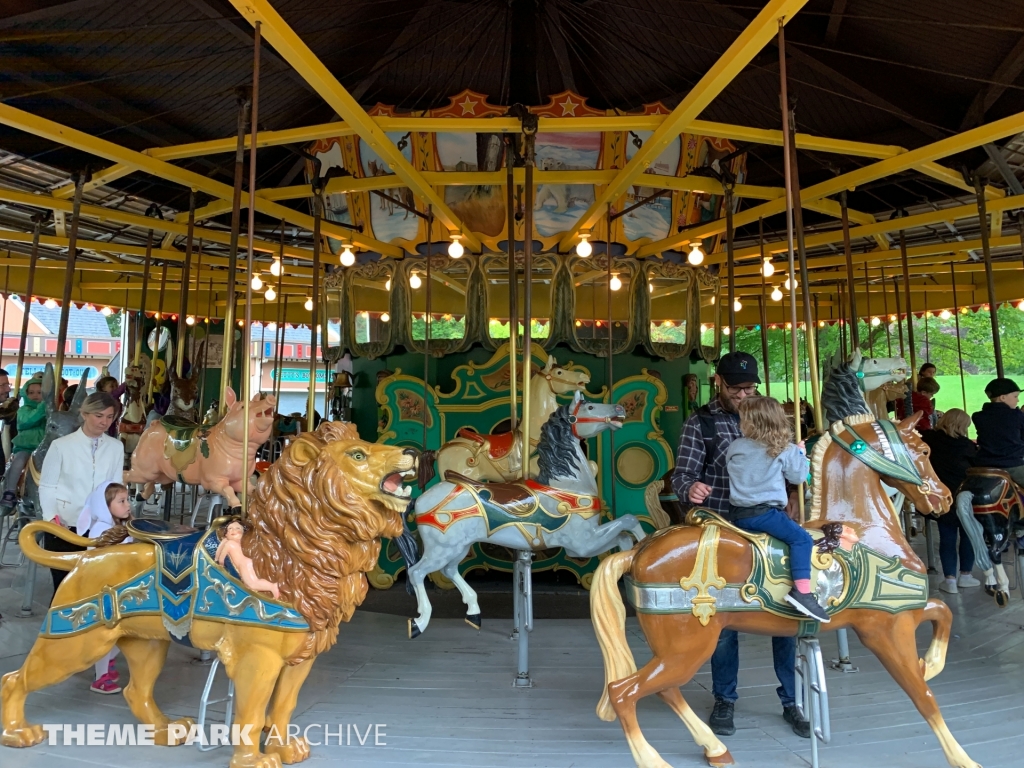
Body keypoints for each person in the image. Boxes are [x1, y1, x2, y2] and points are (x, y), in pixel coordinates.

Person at [671, 351, 808, 739]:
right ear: (719, 382)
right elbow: (682, 474)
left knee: (784, 607)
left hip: (769, 524)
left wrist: (793, 494)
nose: (745, 395)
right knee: (725, 617)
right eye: (737, 388)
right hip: (724, 526)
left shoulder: (769, 416)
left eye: (750, 388)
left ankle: (791, 699)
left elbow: (791, 468)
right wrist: (689, 487)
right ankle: (725, 698)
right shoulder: (702, 423)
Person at [727, 397, 829, 622]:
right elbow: (800, 477)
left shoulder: (736, 446)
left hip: (736, 514)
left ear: (752, 423)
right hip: (765, 514)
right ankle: (802, 592)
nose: (740, 423)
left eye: (743, 419)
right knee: (802, 539)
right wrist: (800, 456)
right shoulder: (785, 449)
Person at [38, 392, 125, 593]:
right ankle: (59, 623)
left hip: (101, 527)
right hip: (64, 524)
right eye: (99, 415)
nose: (104, 422)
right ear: (85, 414)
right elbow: (47, 485)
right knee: (63, 587)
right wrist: (51, 518)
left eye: (110, 417)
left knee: (95, 585)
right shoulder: (61, 445)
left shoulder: (116, 447)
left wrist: (119, 516)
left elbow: (116, 485)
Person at [76, 481, 132, 693]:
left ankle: (106, 662)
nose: (128, 505)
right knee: (107, 633)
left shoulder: (120, 527)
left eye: (127, 500)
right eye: (122, 501)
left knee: (126, 632)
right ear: (105, 506)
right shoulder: (101, 530)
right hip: (105, 589)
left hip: (119, 586)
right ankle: (101, 678)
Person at [921, 410, 979, 594]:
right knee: (968, 535)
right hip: (963, 495)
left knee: (947, 537)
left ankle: (949, 580)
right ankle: (966, 575)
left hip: (940, 495)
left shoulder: (931, 438)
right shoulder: (966, 446)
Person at [1, 376, 46, 510]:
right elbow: (29, 420)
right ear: (25, 394)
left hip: (44, 445)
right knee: (19, 461)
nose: (35, 396)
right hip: (26, 445)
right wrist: (43, 407)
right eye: (31, 393)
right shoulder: (23, 410)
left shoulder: (48, 411)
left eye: (39, 392)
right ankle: (10, 491)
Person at [972, 377, 1024, 486]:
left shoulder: (978, 416)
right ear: (1003, 397)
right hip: (1011, 464)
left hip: (984, 464)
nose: (1017, 400)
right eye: (1015, 396)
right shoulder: (1016, 415)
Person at [215, 517, 280, 599]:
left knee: (252, 584)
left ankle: (272, 587)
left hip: (244, 565)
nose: (233, 530)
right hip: (247, 562)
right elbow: (223, 543)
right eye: (230, 529)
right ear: (226, 534)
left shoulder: (229, 543)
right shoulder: (235, 541)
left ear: (243, 532)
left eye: (237, 528)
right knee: (249, 584)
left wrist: (220, 564)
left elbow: (221, 557)